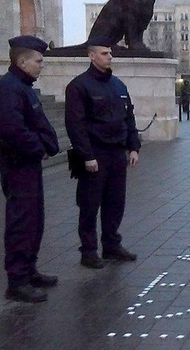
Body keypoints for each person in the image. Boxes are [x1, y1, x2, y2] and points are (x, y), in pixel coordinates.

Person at [0, 36, 60, 303]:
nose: (41, 65)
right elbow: (10, 128)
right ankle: (17, 281)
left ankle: (29, 270)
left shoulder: (23, 86)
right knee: (21, 222)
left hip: (27, 165)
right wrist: (39, 147)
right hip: (18, 165)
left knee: (34, 220)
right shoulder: (8, 88)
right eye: (38, 61)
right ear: (22, 61)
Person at [65, 36, 141, 269]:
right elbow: (75, 124)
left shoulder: (118, 85)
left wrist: (133, 146)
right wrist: (87, 156)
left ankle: (111, 245)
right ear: (91, 56)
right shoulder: (79, 86)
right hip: (95, 154)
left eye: (110, 53)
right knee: (89, 204)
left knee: (115, 203)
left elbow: (128, 117)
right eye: (104, 53)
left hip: (117, 153)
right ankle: (88, 251)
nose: (110, 56)